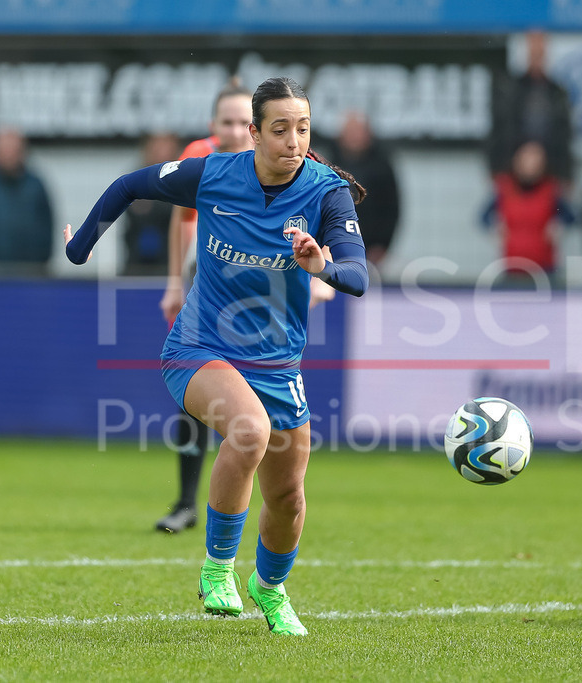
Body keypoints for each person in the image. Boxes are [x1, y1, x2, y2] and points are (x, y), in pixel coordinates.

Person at [65, 76, 369, 636]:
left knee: (289, 498)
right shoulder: (214, 175)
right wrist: (79, 246)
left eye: (302, 128)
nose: (293, 140)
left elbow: (357, 276)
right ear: (253, 134)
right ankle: (216, 568)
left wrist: (319, 266)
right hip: (198, 349)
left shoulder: (328, 193)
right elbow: (128, 186)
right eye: (279, 129)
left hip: (279, 364)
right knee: (248, 431)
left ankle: (270, 589)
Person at [153, 79, 256, 535]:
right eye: (226, 122)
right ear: (212, 125)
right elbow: (181, 216)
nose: (235, 131)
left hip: (261, 288)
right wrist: (175, 283)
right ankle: (186, 503)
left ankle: (266, 502)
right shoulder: (200, 156)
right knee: (196, 393)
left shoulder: (278, 157)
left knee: (261, 397)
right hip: (209, 280)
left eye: (243, 122)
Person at [487, 31, 574, 189]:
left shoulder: (558, 92)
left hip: (550, 173)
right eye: (533, 53)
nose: (537, 58)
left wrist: (566, 173)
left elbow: (565, 135)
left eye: (540, 53)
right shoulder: (510, 88)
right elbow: (499, 129)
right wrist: (496, 167)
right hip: (512, 171)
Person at [482, 140, 575, 277]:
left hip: (544, 266)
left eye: (536, 159)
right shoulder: (504, 188)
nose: (531, 164)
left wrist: (558, 225)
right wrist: (495, 229)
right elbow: (483, 217)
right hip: (512, 266)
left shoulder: (551, 190)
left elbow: (571, 215)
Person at [325, 112, 400, 267]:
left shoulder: (382, 166)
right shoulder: (328, 164)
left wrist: (383, 244)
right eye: (350, 131)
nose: (354, 137)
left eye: (358, 131)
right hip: (334, 245)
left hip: (371, 247)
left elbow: (392, 209)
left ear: (368, 134)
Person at [0, 128, 54, 270]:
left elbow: (47, 227)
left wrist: (41, 262)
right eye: (3, 149)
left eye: (13, 149)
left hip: (31, 273)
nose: (8, 154)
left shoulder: (36, 187)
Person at [122, 132, 181, 275]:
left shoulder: (183, 179)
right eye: (155, 147)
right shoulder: (135, 178)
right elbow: (136, 211)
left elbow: (177, 211)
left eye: (165, 147)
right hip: (135, 262)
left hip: (172, 261)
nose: (159, 152)